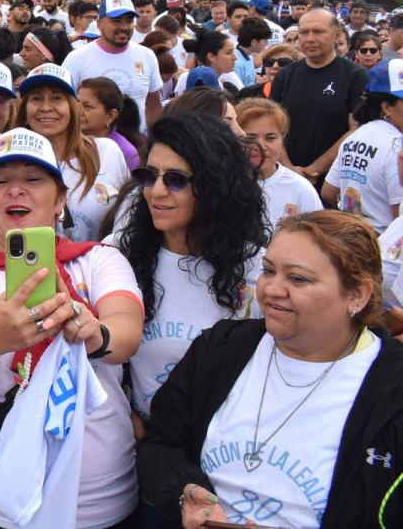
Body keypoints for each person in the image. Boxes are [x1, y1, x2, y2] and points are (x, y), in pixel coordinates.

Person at [0, 126, 145, 528]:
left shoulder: (100, 260)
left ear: (61, 198)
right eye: (0, 182)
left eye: (33, 180)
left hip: (96, 502)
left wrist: (94, 332)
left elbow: (126, 335)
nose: (16, 191)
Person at [137, 210, 403, 529]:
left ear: (357, 294)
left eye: (297, 278)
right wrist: (186, 492)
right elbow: (160, 444)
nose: (272, 289)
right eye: (268, 270)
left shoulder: (392, 389)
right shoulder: (220, 349)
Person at [110, 111, 266, 424]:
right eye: (149, 176)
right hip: (141, 445)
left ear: (214, 185)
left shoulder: (259, 268)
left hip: (222, 447)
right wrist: (126, 415)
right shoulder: (117, 254)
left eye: (176, 179)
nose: (156, 191)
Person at [12, 63, 129, 242]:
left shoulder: (107, 152)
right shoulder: (11, 163)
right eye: (36, 98)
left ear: (74, 107)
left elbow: (127, 217)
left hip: (100, 267)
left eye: (56, 98)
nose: (46, 107)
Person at [271, 9, 368, 183]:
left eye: (318, 31)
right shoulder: (286, 75)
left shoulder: (355, 76)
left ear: (337, 35)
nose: (309, 38)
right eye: (304, 32)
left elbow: (356, 129)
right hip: (286, 176)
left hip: (332, 181)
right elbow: (272, 125)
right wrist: (288, 168)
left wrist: (316, 168)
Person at [321, 58, 403, 233]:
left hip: (352, 237)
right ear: (387, 107)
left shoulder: (355, 136)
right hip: (384, 246)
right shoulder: (398, 147)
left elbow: (328, 191)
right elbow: (400, 219)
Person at [63, 0, 164, 130]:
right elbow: (65, 104)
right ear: (99, 24)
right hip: (91, 146)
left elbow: (153, 104)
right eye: (116, 20)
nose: (123, 27)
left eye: (129, 21)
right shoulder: (77, 58)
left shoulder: (147, 55)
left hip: (136, 147)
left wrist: (152, 141)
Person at [236, 98, 324, 234]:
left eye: (270, 138)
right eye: (250, 137)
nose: (260, 146)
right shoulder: (222, 184)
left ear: (283, 138)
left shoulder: (301, 189)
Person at [78, 76, 144, 171]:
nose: (78, 111)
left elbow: (130, 185)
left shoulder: (126, 152)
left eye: (87, 106)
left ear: (110, 116)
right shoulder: (64, 142)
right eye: (77, 103)